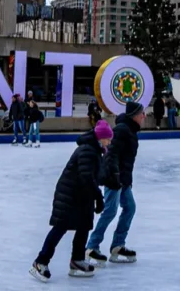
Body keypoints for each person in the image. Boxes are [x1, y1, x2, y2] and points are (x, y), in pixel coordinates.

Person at [31, 120, 112, 281]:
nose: (110, 141)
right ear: (101, 137)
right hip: (70, 194)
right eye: (108, 138)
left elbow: (96, 175)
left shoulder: (95, 150)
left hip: (82, 195)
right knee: (60, 227)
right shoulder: (88, 150)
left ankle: (77, 260)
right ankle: (40, 262)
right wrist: (98, 197)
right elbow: (86, 177)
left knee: (84, 226)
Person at [86, 101, 144, 266]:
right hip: (114, 178)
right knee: (110, 211)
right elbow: (111, 154)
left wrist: (127, 180)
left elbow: (126, 160)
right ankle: (92, 246)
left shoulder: (130, 130)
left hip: (123, 180)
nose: (144, 116)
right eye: (142, 113)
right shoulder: (121, 130)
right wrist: (115, 176)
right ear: (134, 116)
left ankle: (118, 245)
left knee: (130, 208)